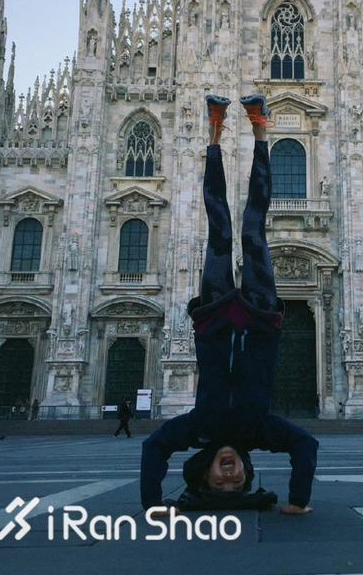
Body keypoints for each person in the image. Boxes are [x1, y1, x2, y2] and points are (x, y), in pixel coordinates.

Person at [141, 94, 318, 517]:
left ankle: (214, 133)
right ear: (248, 471)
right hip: (260, 319)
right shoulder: (260, 432)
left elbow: (155, 446)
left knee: (218, 226)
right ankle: (260, 131)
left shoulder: (199, 430)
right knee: (255, 225)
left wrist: (153, 503)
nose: (229, 476)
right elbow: (305, 445)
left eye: (218, 483)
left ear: (202, 472)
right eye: (238, 482)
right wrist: (298, 500)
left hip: (216, 320)